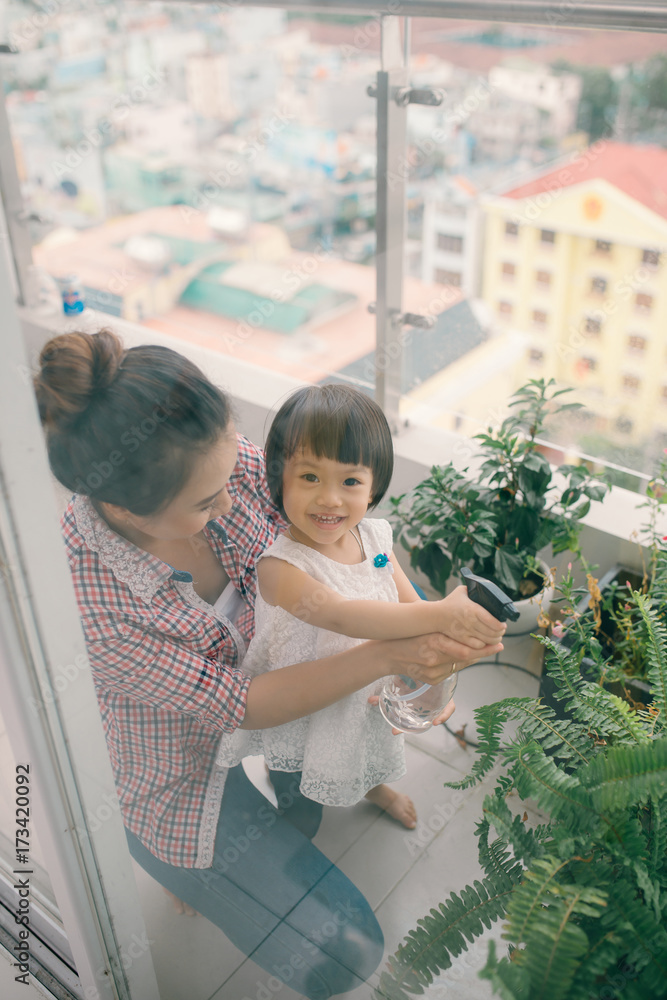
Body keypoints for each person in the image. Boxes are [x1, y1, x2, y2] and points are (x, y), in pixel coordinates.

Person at [34, 328, 506, 999]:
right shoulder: (87, 599)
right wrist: (395, 648)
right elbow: (242, 705)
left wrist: (416, 625)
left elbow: (353, 538)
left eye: (234, 473)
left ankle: (316, 795)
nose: (238, 500)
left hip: (288, 695)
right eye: (205, 502)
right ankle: (171, 863)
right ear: (118, 507)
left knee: (314, 789)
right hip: (177, 770)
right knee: (341, 954)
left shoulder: (216, 462)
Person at [216, 384, 495, 829]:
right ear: (278, 478)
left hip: (367, 681)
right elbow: (340, 614)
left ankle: (372, 786)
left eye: (350, 481)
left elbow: (410, 603)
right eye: (310, 478)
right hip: (305, 699)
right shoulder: (279, 567)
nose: (330, 498)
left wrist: (441, 662)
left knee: (363, 742)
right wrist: (446, 614)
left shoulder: (376, 538)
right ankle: (295, 820)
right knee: (303, 791)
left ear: (373, 487)